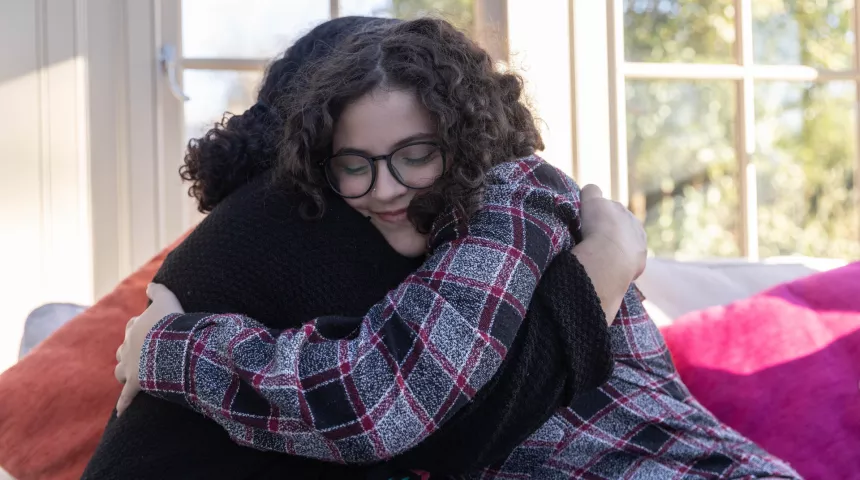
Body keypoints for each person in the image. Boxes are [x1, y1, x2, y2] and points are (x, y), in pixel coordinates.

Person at [114, 17, 800, 479]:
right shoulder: (347, 230)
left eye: (416, 154)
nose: (384, 190)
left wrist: (170, 345)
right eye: (353, 164)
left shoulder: (513, 194)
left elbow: (384, 406)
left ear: (463, 134)